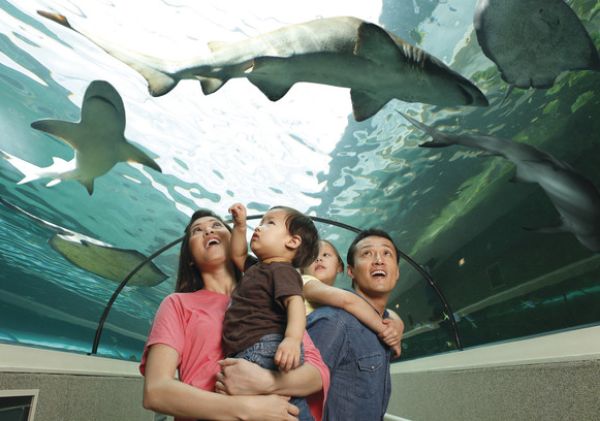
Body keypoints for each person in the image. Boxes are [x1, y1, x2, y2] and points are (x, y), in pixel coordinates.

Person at [140, 209, 329, 421]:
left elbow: (317, 375)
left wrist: (267, 381)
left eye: (217, 225)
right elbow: (155, 391)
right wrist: (247, 408)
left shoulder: (271, 294)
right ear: (190, 257)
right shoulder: (177, 304)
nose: (208, 230)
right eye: (197, 230)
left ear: (234, 241)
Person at [222, 203, 319, 421]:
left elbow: (295, 304)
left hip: (266, 347)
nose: (259, 228)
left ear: (292, 241)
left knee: (281, 407)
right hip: (251, 348)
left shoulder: (282, 270)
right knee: (281, 407)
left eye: (270, 223)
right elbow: (237, 255)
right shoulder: (259, 268)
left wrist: (292, 340)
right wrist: (240, 226)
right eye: (260, 223)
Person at [307, 229, 401, 421]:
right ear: (351, 271)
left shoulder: (388, 324)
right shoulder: (335, 321)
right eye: (367, 253)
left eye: (386, 253)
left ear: (397, 272)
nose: (378, 260)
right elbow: (297, 401)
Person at [302, 239, 403, 357]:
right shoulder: (304, 282)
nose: (318, 259)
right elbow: (349, 301)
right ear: (302, 267)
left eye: (325, 255)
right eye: (311, 256)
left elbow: (385, 312)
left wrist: (398, 324)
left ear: (339, 266)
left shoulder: (332, 297)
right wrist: (386, 332)